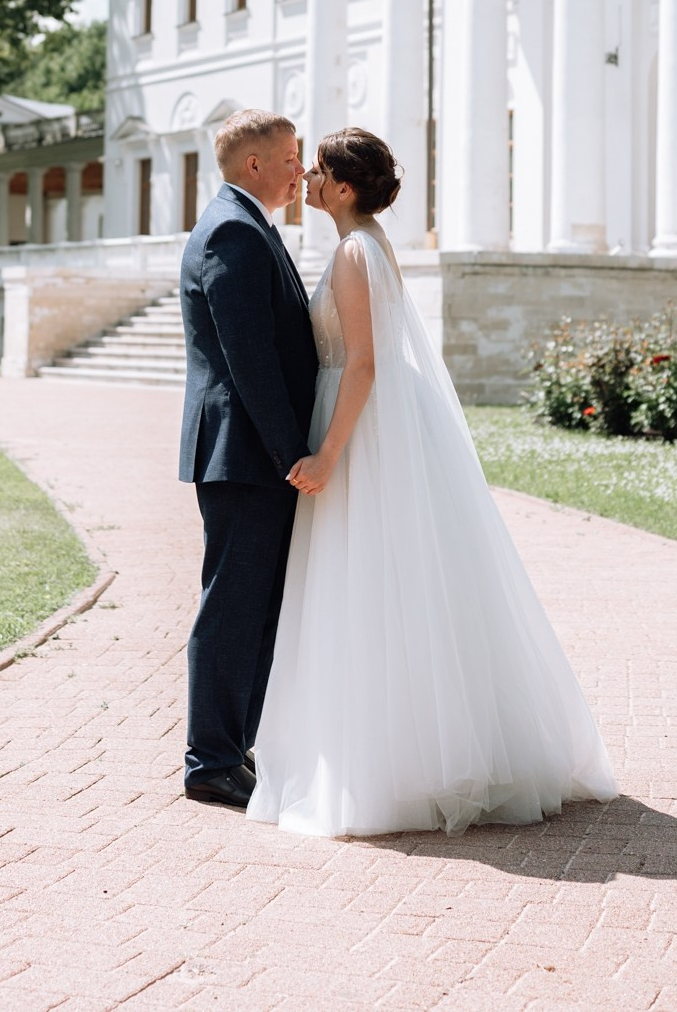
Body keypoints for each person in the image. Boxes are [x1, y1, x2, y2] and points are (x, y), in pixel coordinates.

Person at [248, 127, 618, 837]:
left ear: (346, 187)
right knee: (385, 585)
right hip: (374, 421)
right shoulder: (364, 245)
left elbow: (362, 363)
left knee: (368, 583)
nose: (310, 181)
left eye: (320, 171)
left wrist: (327, 454)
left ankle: (387, 766)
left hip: (359, 425)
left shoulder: (357, 252)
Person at [176, 109, 320, 811]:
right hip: (245, 453)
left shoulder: (252, 222)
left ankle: (234, 747)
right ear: (254, 164)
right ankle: (209, 759)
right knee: (233, 605)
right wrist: (292, 451)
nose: (302, 168)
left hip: (254, 453)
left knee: (258, 605)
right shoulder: (233, 227)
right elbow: (248, 356)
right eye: (290, 157)